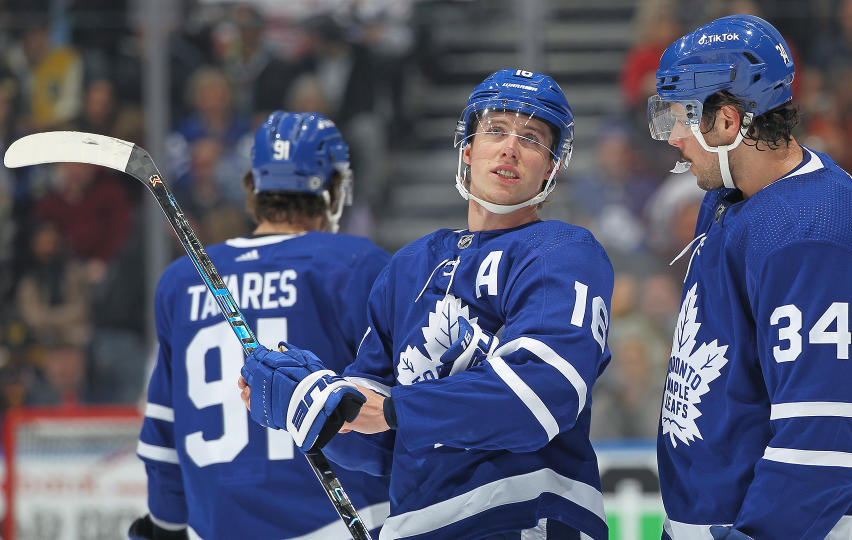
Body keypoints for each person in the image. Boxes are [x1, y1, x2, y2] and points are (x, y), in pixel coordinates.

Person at [240, 69, 614, 539]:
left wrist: (394, 409)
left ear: (553, 166)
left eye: (533, 138)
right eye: (495, 130)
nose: (510, 148)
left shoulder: (562, 252)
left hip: (522, 517)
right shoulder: (409, 266)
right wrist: (319, 414)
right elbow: (378, 444)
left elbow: (543, 393)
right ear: (467, 149)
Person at [646, 14, 852, 539]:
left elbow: (825, 446)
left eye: (682, 116)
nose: (675, 137)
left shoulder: (811, 231)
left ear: (729, 122)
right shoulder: (737, 198)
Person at [131, 111, 391, 539]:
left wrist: (166, 527)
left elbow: (162, 436)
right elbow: (401, 414)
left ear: (253, 185)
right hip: (339, 525)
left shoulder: (183, 280)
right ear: (334, 188)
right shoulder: (356, 265)